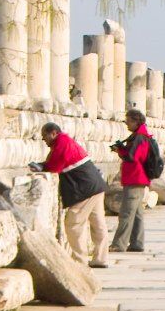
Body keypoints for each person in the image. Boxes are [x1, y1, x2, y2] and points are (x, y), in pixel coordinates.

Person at [35, 121, 109, 268]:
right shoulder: (65, 142)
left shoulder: (62, 143)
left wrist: (41, 167)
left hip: (86, 189)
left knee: (73, 223)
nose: (44, 140)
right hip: (96, 185)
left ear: (53, 133)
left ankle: (79, 260)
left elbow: (55, 166)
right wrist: (42, 165)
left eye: (45, 136)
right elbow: (55, 161)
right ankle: (101, 258)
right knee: (98, 223)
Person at [109, 108, 155, 253]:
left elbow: (132, 157)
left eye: (128, 121)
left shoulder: (140, 137)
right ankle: (137, 243)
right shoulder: (139, 136)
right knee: (136, 214)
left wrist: (120, 150)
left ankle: (119, 245)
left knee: (126, 213)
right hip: (138, 179)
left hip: (135, 179)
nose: (127, 124)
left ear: (136, 122)